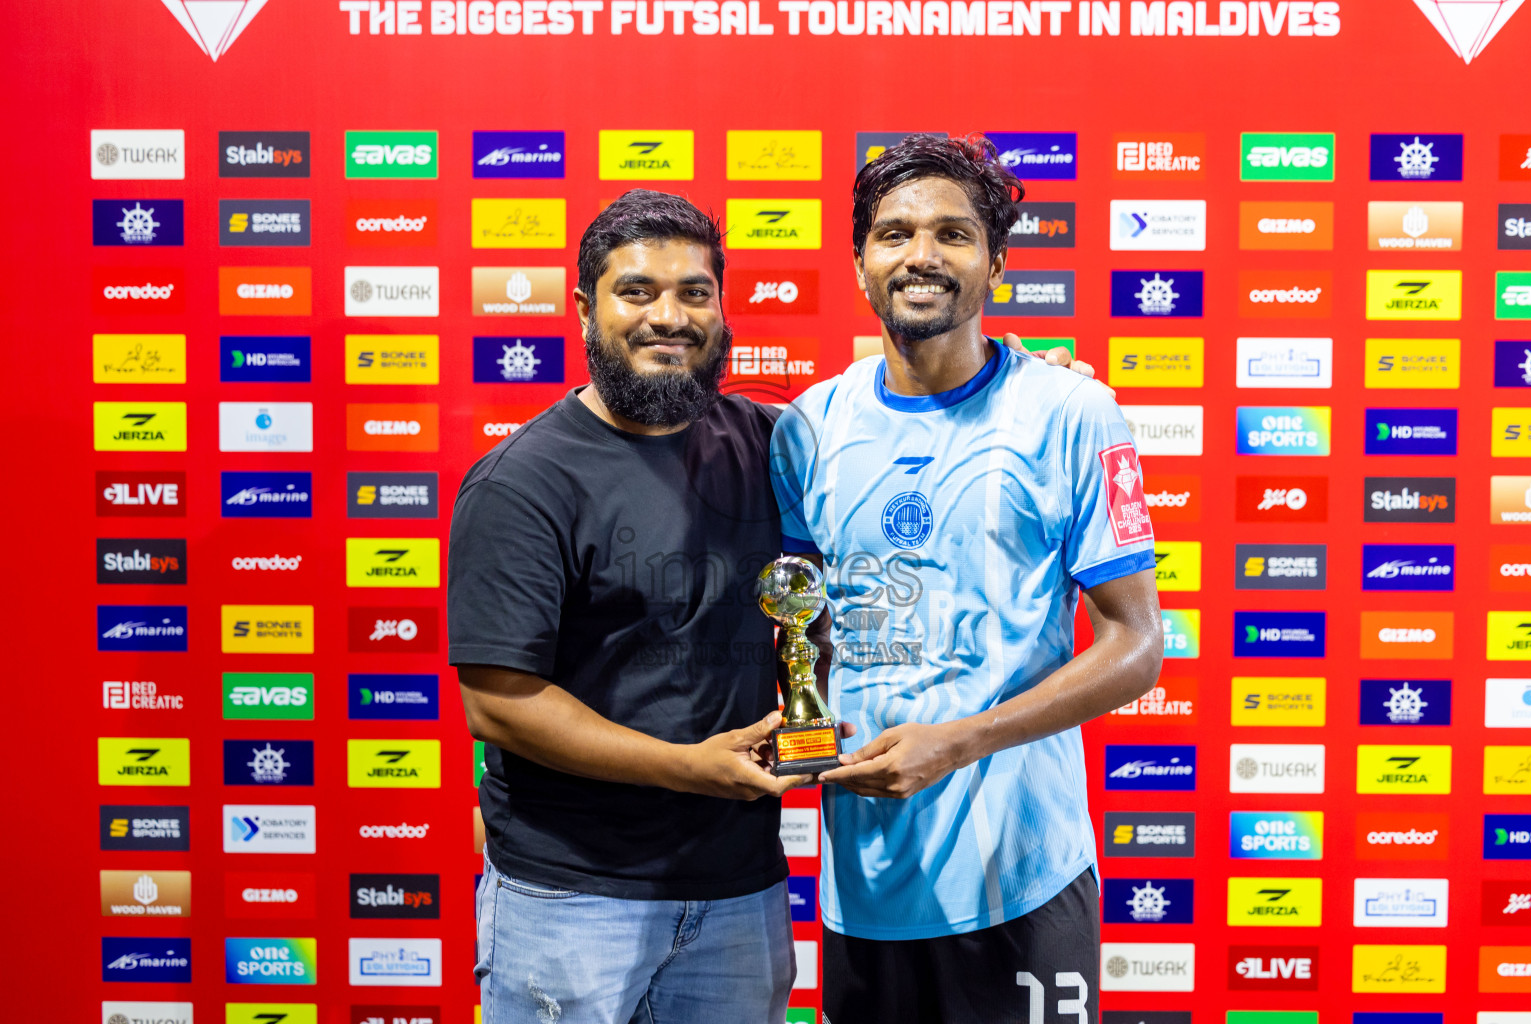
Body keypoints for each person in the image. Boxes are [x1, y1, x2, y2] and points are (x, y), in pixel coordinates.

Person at [448, 188, 1101, 1024]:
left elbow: (919, 426)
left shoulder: (779, 443)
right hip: (575, 896)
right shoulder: (524, 482)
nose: (668, 317)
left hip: (739, 892)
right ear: (584, 309)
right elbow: (499, 705)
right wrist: (687, 767)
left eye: (694, 292)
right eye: (637, 292)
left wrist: (1037, 389)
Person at [769, 134, 1165, 1024]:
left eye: (953, 234)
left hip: (1023, 880)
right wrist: (799, 734)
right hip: (864, 883)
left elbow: (1137, 647)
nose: (922, 255)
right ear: (859, 264)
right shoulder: (807, 428)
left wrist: (959, 741)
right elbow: (802, 636)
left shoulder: (1071, 412)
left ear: (997, 264)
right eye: (894, 234)